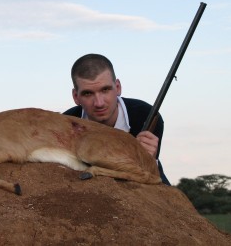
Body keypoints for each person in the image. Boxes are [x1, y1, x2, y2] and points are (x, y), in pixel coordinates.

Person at [63, 53, 170, 185]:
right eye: (88, 93)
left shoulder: (146, 114)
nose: (99, 103)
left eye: (105, 90)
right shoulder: (66, 124)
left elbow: (151, 173)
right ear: (75, 96)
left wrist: (151, 158)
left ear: (118, 87)